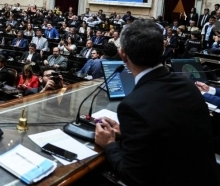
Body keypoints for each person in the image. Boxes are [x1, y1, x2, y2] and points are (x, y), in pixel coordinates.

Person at [94, 19, 220, 185]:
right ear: (162, 49)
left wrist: (109, 144)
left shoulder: (132, 105)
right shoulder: (188, 85)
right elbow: (171, 135)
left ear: (123, 55)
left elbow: (134, 176)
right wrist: (130, 133)